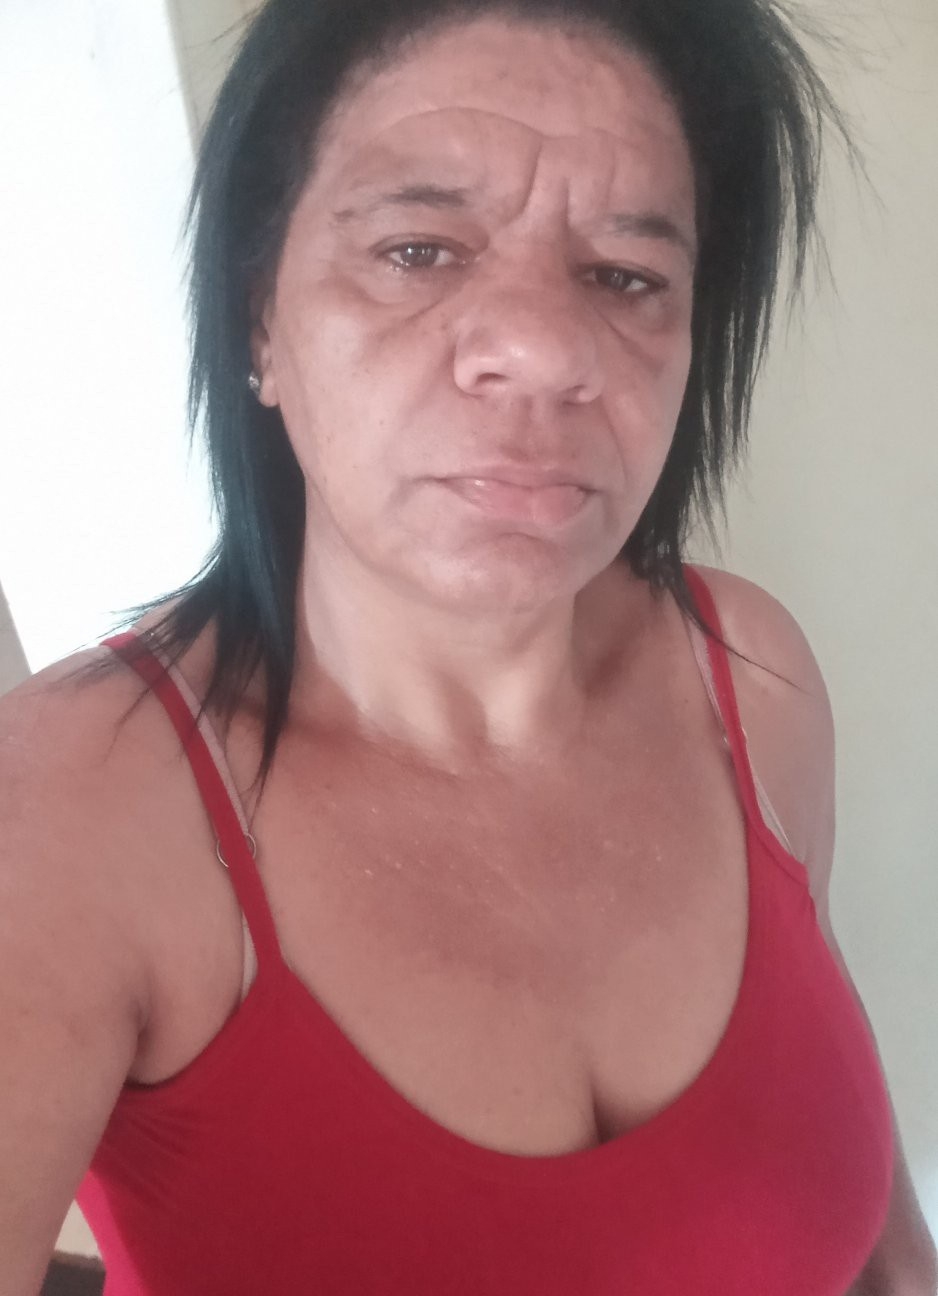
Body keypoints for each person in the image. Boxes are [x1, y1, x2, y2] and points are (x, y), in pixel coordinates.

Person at [1, 0, 935, 1292]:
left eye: (625, 276)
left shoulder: (748, 678)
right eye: (418, 250)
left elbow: (875, 1216)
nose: (545, 352)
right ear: (260, 317)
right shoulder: (70, 813)